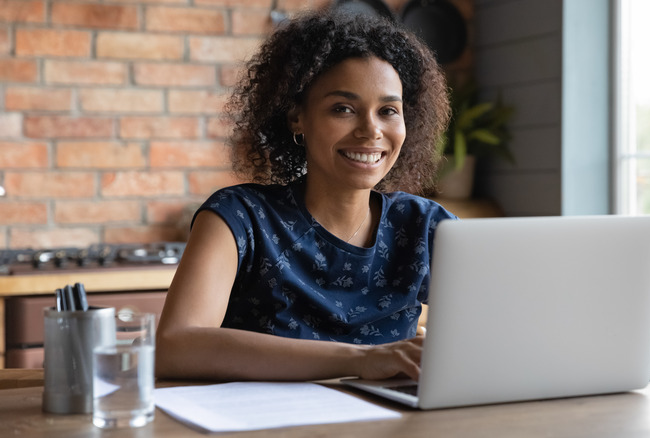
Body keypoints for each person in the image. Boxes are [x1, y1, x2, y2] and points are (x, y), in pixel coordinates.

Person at [156, 10, 455, 382]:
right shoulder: (239, 218)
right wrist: (360, 360)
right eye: (343, 109)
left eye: (388, 111)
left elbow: (495, 334)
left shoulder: (426, 226)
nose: (371, 130)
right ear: (298, 117)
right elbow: (175, 347)